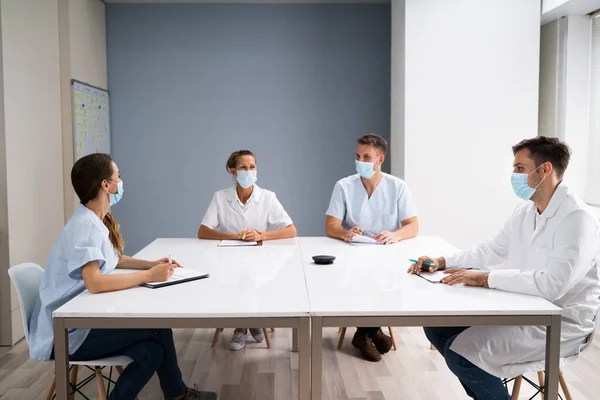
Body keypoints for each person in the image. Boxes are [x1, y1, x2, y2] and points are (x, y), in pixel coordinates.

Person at [408, 136, 600, 400]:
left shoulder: (577, 219)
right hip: (523, 308)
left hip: (560, 323)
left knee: (462, 357)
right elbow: (491, 249)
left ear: (544, 170)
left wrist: (485, 279)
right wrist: (443, 261)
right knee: (436, 328)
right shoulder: (525, 212)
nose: (513, 175)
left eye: (520, 168)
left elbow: (553, 285)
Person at [28, 153, 217, 400]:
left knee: (151, 351)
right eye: (118, 177)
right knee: (159, 329)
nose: (121, 182)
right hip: (68, 334)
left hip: (82, 320)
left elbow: (113, 259)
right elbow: (94, 283)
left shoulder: (94, 220)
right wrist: (149, 275)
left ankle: (175, 395)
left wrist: (151, 264)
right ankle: (178, 396)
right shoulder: (85, 227)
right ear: (106, 185)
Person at [325, 133, 419, 362]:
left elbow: (412, 225)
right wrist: (345, 232)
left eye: (367, 157)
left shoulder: (397, 186)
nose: (360, 161)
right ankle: (372, 332)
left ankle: (364, 333)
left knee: (383, 278)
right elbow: (331, 226)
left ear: (380, 160)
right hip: (352, 252)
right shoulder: (344, 186)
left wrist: (395, 235)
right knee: (361, 278)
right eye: (358, 156)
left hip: (386, 252)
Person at [198, 150, 297, 350]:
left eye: (252, 167)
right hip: (228, 259)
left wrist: (262, 235)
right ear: (234, 172)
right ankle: (252, 322)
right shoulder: (220, 197)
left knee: (251, 278)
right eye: (243, 167)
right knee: (237, 279)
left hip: (261, 259)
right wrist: (234, 236)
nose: (249, 171)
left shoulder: (268, 197)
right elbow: (203, 231)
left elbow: (291, 230)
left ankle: (242, 328)